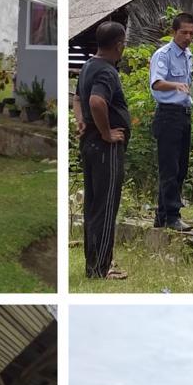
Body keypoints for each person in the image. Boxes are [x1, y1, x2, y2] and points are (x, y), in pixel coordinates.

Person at [74, 21, 131, 279]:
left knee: (94, 205)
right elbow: (96, 101)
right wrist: (107, 132)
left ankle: (95, 265)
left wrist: (80, 119)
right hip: (105, 147)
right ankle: (99, 269)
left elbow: (78, 98)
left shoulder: (88, 65)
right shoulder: (107, 71)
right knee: (106, 206)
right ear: (119, 45)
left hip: (90, 143)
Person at [149, 12, 193, 231]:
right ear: (173, 32)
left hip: (184, 113)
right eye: (183, 32)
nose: (188, 37)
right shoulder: (164, 54)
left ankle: (162, 215)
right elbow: (157, 83)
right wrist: (175, 85)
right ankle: (172, 216)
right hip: (168, 113)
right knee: (169, 167)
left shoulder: (188, 55)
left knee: (181, 167)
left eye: (191, 33)